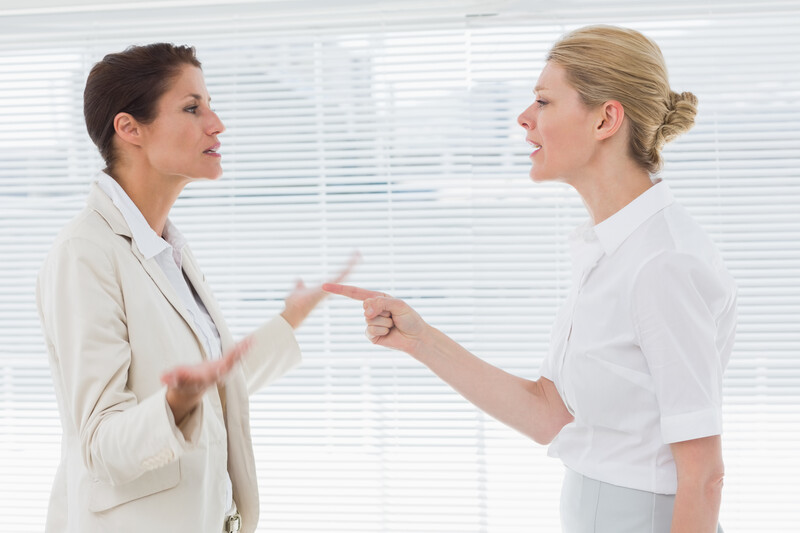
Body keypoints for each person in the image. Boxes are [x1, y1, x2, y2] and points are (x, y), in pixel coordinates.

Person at [324, 25, 736, 532]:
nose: (523, 118)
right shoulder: (608, 251)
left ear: (607, 118)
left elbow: (703, 477)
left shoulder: (661, 262)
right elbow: (551, 415)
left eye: (543, 101)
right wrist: (421, 341)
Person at [36, 43, 352, 533]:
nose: (216, 123)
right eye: (192, 108)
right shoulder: (86, 253)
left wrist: (290, 319)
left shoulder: (165, 250)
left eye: (208, 104)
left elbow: (212, 381)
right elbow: (99, 446)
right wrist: (174, 405)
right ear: (129, 128)